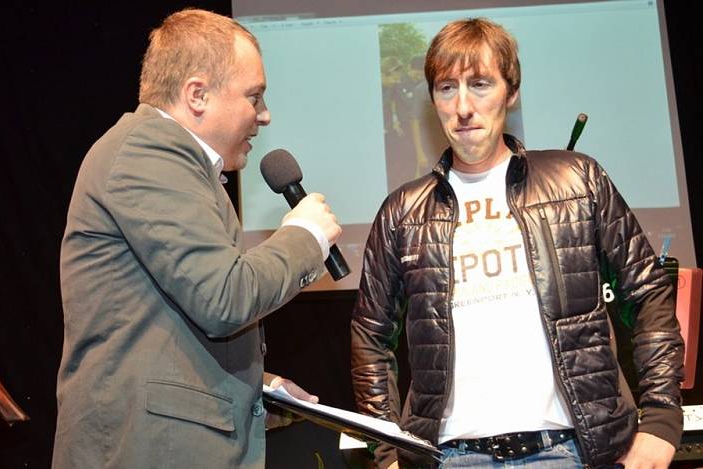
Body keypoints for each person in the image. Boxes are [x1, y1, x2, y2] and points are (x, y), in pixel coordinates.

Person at [351, 17, 683, 469]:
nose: (463, 106)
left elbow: (647, 294)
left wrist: (662, 419)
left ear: (511, 91)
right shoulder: (402, 211)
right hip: (448, 457)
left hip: (570, 451)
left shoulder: (577, 181)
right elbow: (371, 338)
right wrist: (387, 452)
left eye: (481, 84)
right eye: (447, 88)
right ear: (433, 100)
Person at [52, 8, 341, 468]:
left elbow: (162, 329)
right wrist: (306, 237)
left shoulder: (182, 166)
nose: (264, 116)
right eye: (254, 96)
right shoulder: (148, 155)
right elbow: (224, 299)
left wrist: (255, 386)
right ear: (197, 94)